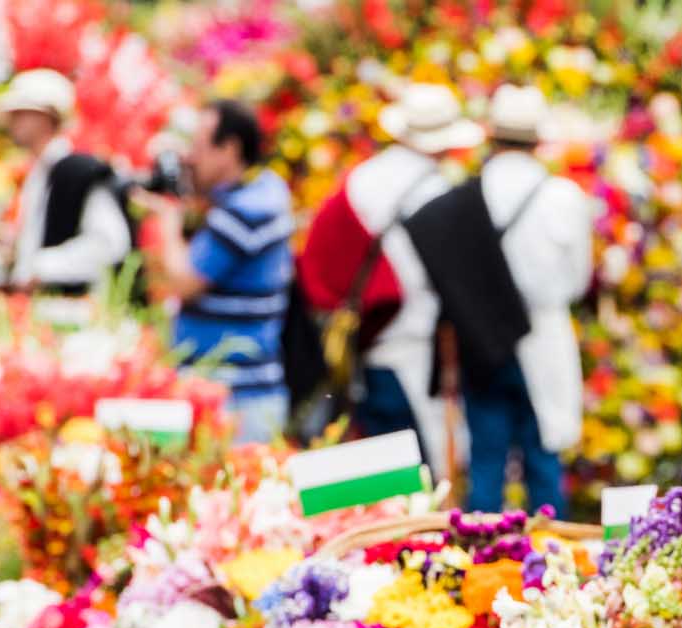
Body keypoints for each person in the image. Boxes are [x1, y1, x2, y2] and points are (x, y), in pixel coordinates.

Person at [403, 85, 592, 515]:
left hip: (483, 341)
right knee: (543, 459)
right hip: (543, 339)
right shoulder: (562, 196)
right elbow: (578, 282)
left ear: (491, 135)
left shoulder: (465, 196)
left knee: (487, 463)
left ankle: (481, 559)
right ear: (539, 139)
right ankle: (555, 565)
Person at [297, 84, 483, 474]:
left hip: (367, 339)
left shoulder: (362, 179)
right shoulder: (438, 192)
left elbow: (318, 258)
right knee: (420, 465)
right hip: (415, 343)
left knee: (379, 463)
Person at [137, 100, 296, 444]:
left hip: (238, 400)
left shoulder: (248, 212)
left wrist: (167, 219)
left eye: (198, 147)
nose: (190, 159)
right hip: (231, 394)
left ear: (229, 149)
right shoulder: (258, 194)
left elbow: (184, 281)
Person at [0, 69, 132, 298]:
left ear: (48, 117)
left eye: (22, 113)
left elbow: (110, 244)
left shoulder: (76, 172)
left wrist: (40, 267)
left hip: (73, 312)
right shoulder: (37, 174)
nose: (13, 121)